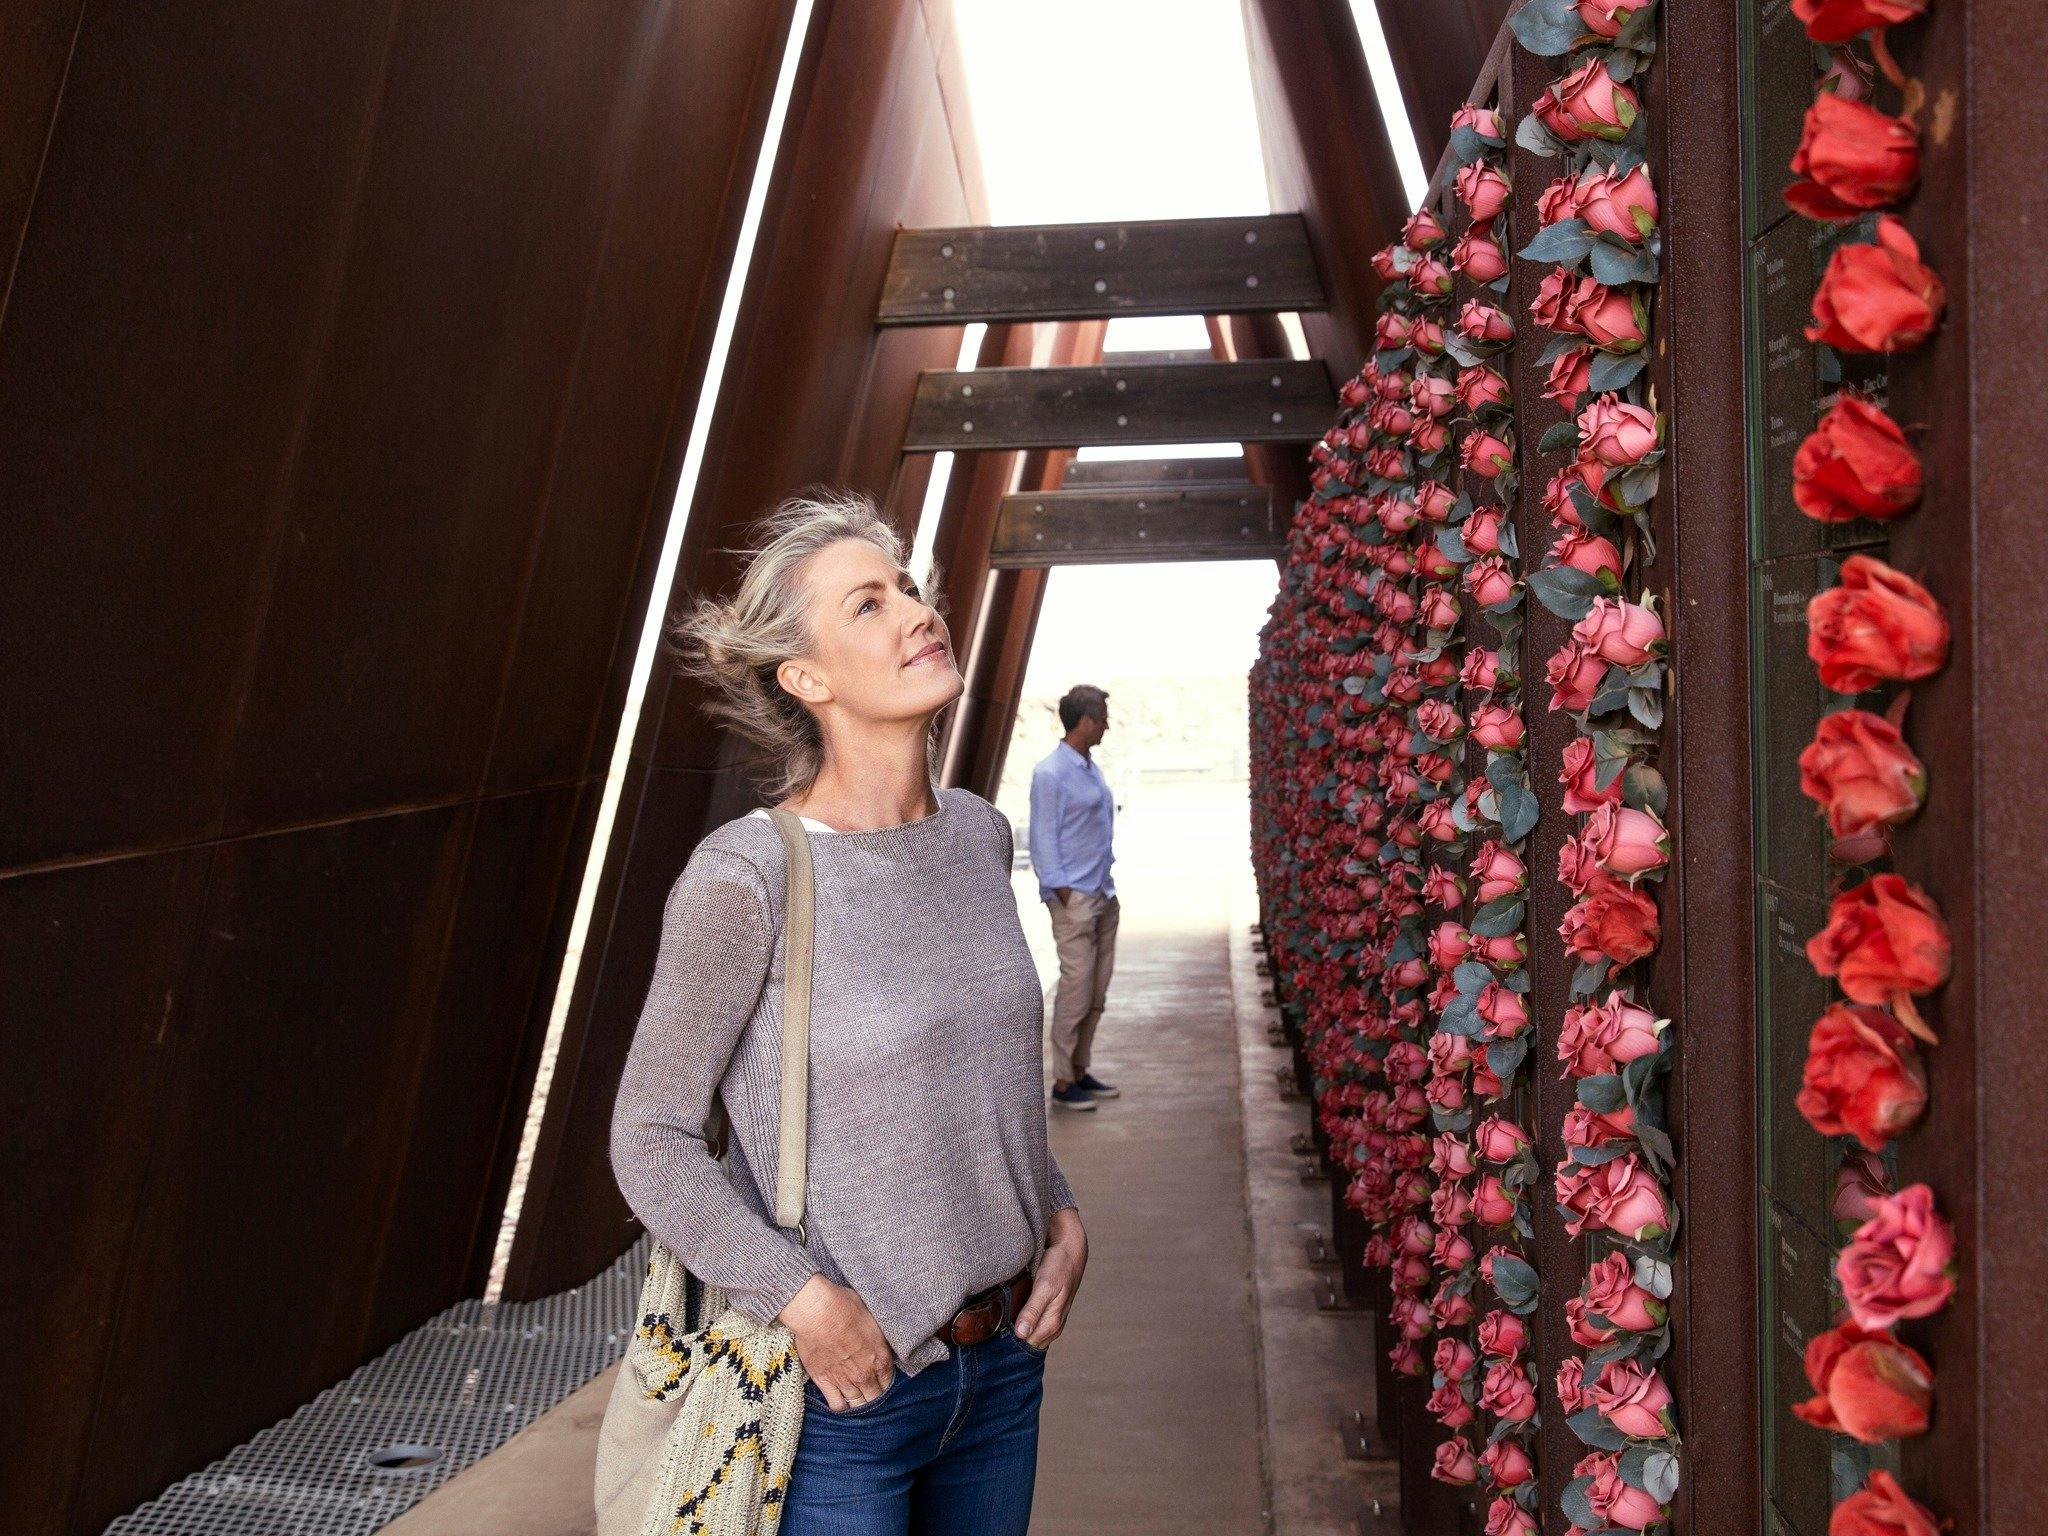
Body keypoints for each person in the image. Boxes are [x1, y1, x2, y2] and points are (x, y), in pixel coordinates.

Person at [610, 490, 1087, 1536]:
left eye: (909, 588)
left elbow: (981, 1075)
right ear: (806, 679)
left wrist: (1058, 1216)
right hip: (843, 1398)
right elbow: (648, 1139)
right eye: (868, 606)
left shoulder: (973, 837)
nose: (917, 613)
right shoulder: (747, 878)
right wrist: (802, 1300)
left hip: (1002, 1371)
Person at [1028, 685, 1122, 1112]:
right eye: (1101, 717)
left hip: (1102, 891)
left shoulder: (1088, 767)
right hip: (1076, 900)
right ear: (1084, 721)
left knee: (1097, 991)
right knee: (1077, 990)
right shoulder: (1051, 773)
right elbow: (1043, 838)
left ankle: (1081, 1070)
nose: (1106, 724)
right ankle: (1064, 1081)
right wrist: (1063, 892)